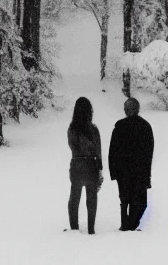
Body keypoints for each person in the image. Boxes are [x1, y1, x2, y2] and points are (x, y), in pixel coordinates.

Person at [108, 97, 154, 231]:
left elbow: (113, 151)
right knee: (139, 201)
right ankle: (132, 225)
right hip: (140, 170)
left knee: (124, 200)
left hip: (122, 171)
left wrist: (113, 171)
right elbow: (149, 153)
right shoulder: (145, 126)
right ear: (138, 109)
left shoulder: (119, 126)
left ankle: (125, 225)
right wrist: (147, 175)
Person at [67, 96, 103, 234]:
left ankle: (74, 228)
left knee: (74, 197)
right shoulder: (93, 129)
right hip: (91, 165)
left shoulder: (72, 129)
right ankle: (91, 229)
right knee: (92, 198)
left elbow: (72, 146)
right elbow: (98, 150)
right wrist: (100, 168)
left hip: (76, 164)